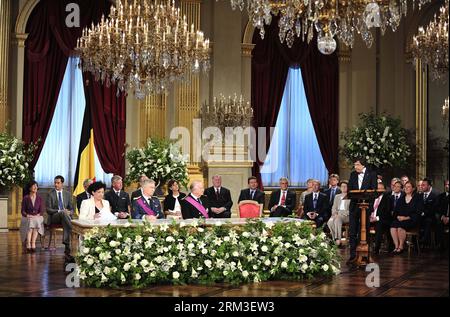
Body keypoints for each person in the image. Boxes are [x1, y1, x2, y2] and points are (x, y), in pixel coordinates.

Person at [347, 158, 378, 265]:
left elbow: (374, 191)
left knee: (364, 230)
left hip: (366, 206)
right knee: (352, 231)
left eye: (357, 164)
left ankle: (365, 254)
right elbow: (349, 190)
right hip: (354, 206)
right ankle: (352, 255)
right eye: (354, 164)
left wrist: (369, 203)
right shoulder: (352, 175)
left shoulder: (372, 174)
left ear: (363, 165)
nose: (355, 167)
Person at [390, 181, 423, 254]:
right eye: (405, 187)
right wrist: (398, 216)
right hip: (401, 219)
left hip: (412, 220)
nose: (406, 188)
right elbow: (396, 212)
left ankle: (401, 247)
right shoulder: (401, 198)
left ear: (413, 188)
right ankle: (396, 246)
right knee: (393, 225)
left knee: (400, 227)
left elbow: (418, 213)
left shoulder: (417, 198)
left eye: (408, 187)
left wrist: (405, 218)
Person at [46, 175, 73, 256]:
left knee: (65, 216)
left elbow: (71, 209)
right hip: (54, 216)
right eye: (55, 183)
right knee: (63, 213)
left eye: (58, 183)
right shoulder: (50, 194)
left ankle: (67, 245)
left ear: (62, 184)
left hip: (65, 218)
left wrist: (69, 212)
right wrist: (60, 211)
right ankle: (72, 228)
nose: (56, 185)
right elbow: (48, 210)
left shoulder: (67, 194)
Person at [369, 182, 395, 254]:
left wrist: (376, 218)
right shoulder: (372, 198)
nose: (379, 190)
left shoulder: (388, 198)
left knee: (379, 225)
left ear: (384, 190)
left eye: (381, 189)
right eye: (378, 189)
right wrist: (369, 217)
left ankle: (376, 248)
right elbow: (369, 209)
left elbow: (387, 212)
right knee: (362, 223)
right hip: (371, 219)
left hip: (382, 220)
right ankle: (363, 246)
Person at [20, 181, 44, 253]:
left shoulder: (39, 198)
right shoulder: (26, 198)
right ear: (30, 188)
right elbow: (23, 211)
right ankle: (28, 243)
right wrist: (27, 215)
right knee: (30, 222)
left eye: (36, 186)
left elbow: (42, 210)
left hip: (37, 217)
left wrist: (38, 215)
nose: (35, 187)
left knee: (36, 221)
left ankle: (33, 243)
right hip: (28, 217)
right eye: (33, 186)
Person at [327, 180, 350, 246]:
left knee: (337, 219)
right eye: (342, 186)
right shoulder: (337, 196)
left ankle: (338, 239)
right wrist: (334, 213)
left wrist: (339, 214)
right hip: (336, 214)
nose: (343, 188)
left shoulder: (351, 196)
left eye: (345, 186)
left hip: (346, 215)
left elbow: (351, 210)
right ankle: (335, 239)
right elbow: (334, 207)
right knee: (330, 221)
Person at [419, 177, 440, 246]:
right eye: (421, 185)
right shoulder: (420, 195)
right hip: (421, 216)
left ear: (429, 186)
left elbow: (434, 209)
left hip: (432, 217)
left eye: (423, 185)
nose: (421, 186)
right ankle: (416, 243)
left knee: (428, 220)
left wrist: (424, 213)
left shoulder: (436, 194)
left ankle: (424, 241)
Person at [436, 180, 449, 251]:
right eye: (446, 185)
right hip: (442, 218)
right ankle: (441, 245)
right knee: (438, 224)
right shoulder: (440, 196)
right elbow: (437, 209)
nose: (447, 186)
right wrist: (442, 216)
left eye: (448, 184)